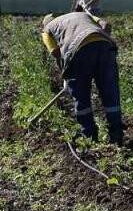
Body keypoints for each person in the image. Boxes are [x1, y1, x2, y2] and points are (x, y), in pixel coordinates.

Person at [41, 11, 124, 145]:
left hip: (78, 52)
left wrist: (65, 73)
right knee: (110, 92)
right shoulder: (82, 14)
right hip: (105, 46)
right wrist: (98, 43)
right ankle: (117, 133)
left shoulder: (47, 29)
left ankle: (89, 136)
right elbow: (106, 24)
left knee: (81, 95)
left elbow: (55, 52)